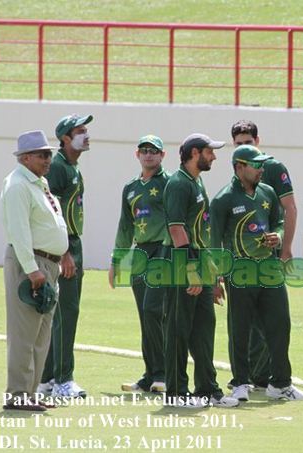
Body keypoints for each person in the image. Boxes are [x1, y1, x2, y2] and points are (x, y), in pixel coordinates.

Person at [210, 144, 303, 402]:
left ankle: (281, 383)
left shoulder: (267, 192)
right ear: (239, 167)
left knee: (280, 325)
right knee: (240, 329)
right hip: (239, 272)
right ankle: (241, 382)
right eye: (256, 165)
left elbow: (278, 219)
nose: (261, 169)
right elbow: (214, 243)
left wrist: (278, 235)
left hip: (269, 271)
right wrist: (215, 278)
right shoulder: (223, 199)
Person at [162, 133, 238, 408]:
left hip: (200, 264)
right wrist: (191, 271)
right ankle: (176, 392)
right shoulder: (179, 184)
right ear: (195, 153)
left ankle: (207, 389)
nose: (214, 156)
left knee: (204, 330)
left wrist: (212, 273)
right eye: (209, 151)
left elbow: (200, 231)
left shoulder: (196, 181)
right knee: (179, 330)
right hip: (184, 264)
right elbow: (176, 229)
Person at [228, 120, 298, 391]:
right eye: (238, 144)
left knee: (273, 317)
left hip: (270, 254)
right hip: (244, 258)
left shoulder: (274, 168)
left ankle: (269, 377)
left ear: (258, 141)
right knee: (250, 319)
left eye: (247, 142)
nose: (243, 147)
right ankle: (256, 377)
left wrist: (287, 248)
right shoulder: (237, 171)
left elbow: (289, 208)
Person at [1, 130, 68, 411]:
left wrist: (60, 256)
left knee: (41, 335)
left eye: (49, 154)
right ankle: (17, 394)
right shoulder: (18, 184)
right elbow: (19, 232)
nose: (48, 159)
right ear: (25, 157)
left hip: (47, 264)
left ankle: (30, 392)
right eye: (42, 155)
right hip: (32, 264)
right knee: (24, 333)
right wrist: (32, 269)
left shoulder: (37, 182)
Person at [37, 114, 93, 398]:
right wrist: (66, 253)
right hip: (65, 244)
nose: (87, 134)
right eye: (80, 131)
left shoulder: (72, 167)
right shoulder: (59, 167)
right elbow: (52, 213)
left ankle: (47, 378)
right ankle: (63, 379)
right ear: (65, 138)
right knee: (66, 313)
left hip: (71, 242)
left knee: (60, 313)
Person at [109, 135, 169, 393]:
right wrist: (117, 261)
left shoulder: (170, 183)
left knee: (157, 311)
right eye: (144, 150)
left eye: (154, 151)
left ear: (162, 156)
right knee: (146, 314)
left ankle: (165, 373)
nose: (149, 155)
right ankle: (150, 375)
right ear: (137, 155)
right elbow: (125, 226)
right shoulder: (131, 188)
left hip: (163, 250)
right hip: (140, 253)